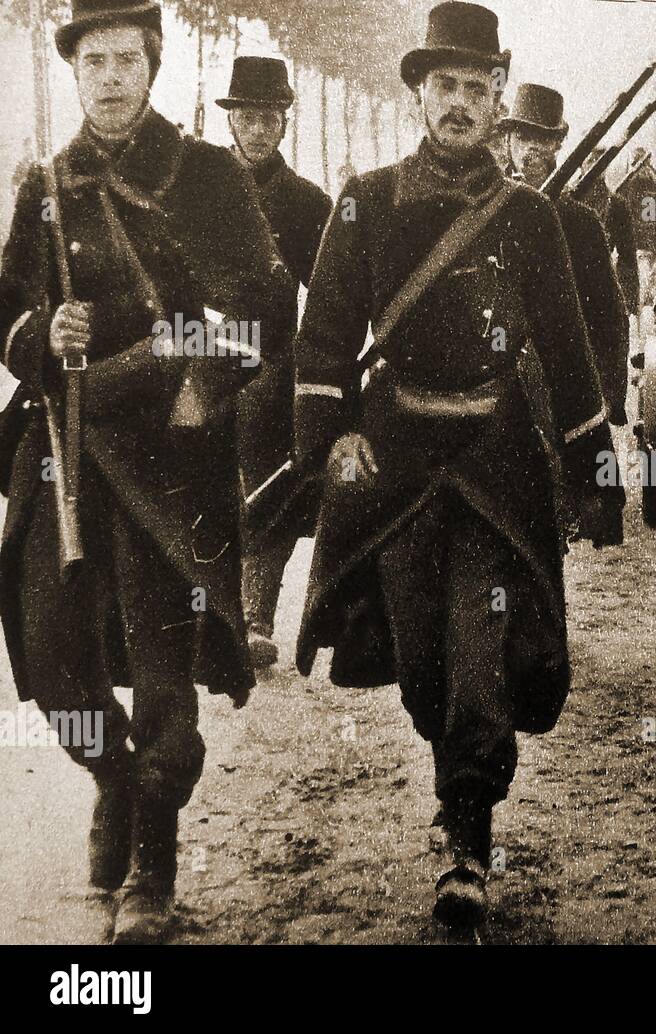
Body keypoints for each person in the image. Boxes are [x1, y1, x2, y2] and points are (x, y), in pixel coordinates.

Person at [292, 1, 622, 936]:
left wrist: (594, 472)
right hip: (395, 463)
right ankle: (456, 782)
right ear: (418, 94)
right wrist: (330, 438)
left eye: (479, 89)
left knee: (480, 644)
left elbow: (566, 347)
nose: (462, 105)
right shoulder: (364, 199)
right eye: (447, 87)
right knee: (421, 660)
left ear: (496, 100)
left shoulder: (530, 217)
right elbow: (322, 340)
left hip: (495, 464)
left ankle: (466, 831)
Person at [0, 0, 286, 943]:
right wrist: (44, 331)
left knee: (165, 677)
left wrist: (203, 373)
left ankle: (152, 868)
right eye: (94, 62)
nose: (112, 77)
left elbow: (262, 308)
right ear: (76, 72)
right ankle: (113, 781)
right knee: (46, 661)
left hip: (172, 458)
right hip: (69, 454)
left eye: (128, 59)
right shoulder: (45, 183)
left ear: (153, 66)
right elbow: (6, 315)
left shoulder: (204, 175)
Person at [218, 55, 332, 669]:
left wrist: (305, 363)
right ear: (230, 121)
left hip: (273, 364)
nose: (257, 130)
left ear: (284, 123)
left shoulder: (307, 203)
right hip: (201, 354)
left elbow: (333, 296)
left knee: (274, 482)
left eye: (269, 118)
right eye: (246, 118)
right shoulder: (199, 192)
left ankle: (256, 616)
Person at [503, 82, 630, 425]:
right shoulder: (482, 211)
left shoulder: (581, 223)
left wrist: (609, 394)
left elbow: (607, 316)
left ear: (557, 146)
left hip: (564, 389)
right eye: (522, 136)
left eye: (542, 139)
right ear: (508, 141)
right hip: (495, 397)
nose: (531, 148)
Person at [576, 145, 641, 316]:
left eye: (600, 162)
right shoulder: (566, 200)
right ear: (580, 164)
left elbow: (627, 259)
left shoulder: (618, 206)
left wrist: (628, 304)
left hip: (602, 288)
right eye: (590, 160)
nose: (595, 166)